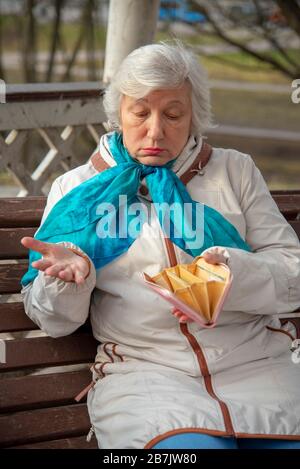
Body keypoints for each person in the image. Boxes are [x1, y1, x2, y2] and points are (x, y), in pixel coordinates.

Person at [20, 42, 300, 449]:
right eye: (140, 112)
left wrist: (230, 276)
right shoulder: (75, 188)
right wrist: (68, 281)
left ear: (194, 117)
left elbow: (292, 271)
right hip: (146, 377)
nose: (155, 130)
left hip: (259, 366)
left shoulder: (234, 171)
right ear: (119, 113)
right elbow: (54, 322)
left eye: (173, 114)